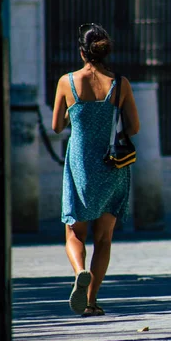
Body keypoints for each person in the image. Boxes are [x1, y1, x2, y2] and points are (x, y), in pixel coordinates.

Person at [52, 23, 140, 316]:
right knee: (104, 238)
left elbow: (56, 127)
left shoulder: (67, 82)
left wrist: (72, 112)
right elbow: (135, 127)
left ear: (81, 52)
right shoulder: (120, 84)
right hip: (111, 166)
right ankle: (91, 301)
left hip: (80, 166)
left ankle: (79, 271)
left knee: (74, 233)